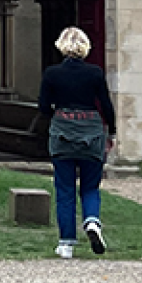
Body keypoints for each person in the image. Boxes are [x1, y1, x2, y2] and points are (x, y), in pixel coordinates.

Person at [38, 25, 116, 258]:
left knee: (65, 188)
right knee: (90, 186)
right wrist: (110, 132)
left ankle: (66, 243)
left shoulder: (52, 74)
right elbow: (106, 104)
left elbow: (43, 106)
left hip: (63, 129)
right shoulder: (95, 73)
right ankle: (92, 220)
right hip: (91, 130)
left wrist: (58, 116)